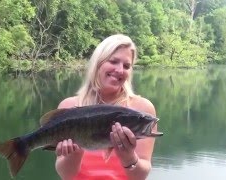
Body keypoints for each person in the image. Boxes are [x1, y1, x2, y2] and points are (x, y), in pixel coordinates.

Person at [55, 34, 159, 180]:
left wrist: (128, 157)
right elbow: (66, 175)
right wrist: (74, 155)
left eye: (127, 66)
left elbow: (140, 176)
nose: (120, 70)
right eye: (113, 61)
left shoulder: (142, 110)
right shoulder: (69, 107)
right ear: (98, 63)